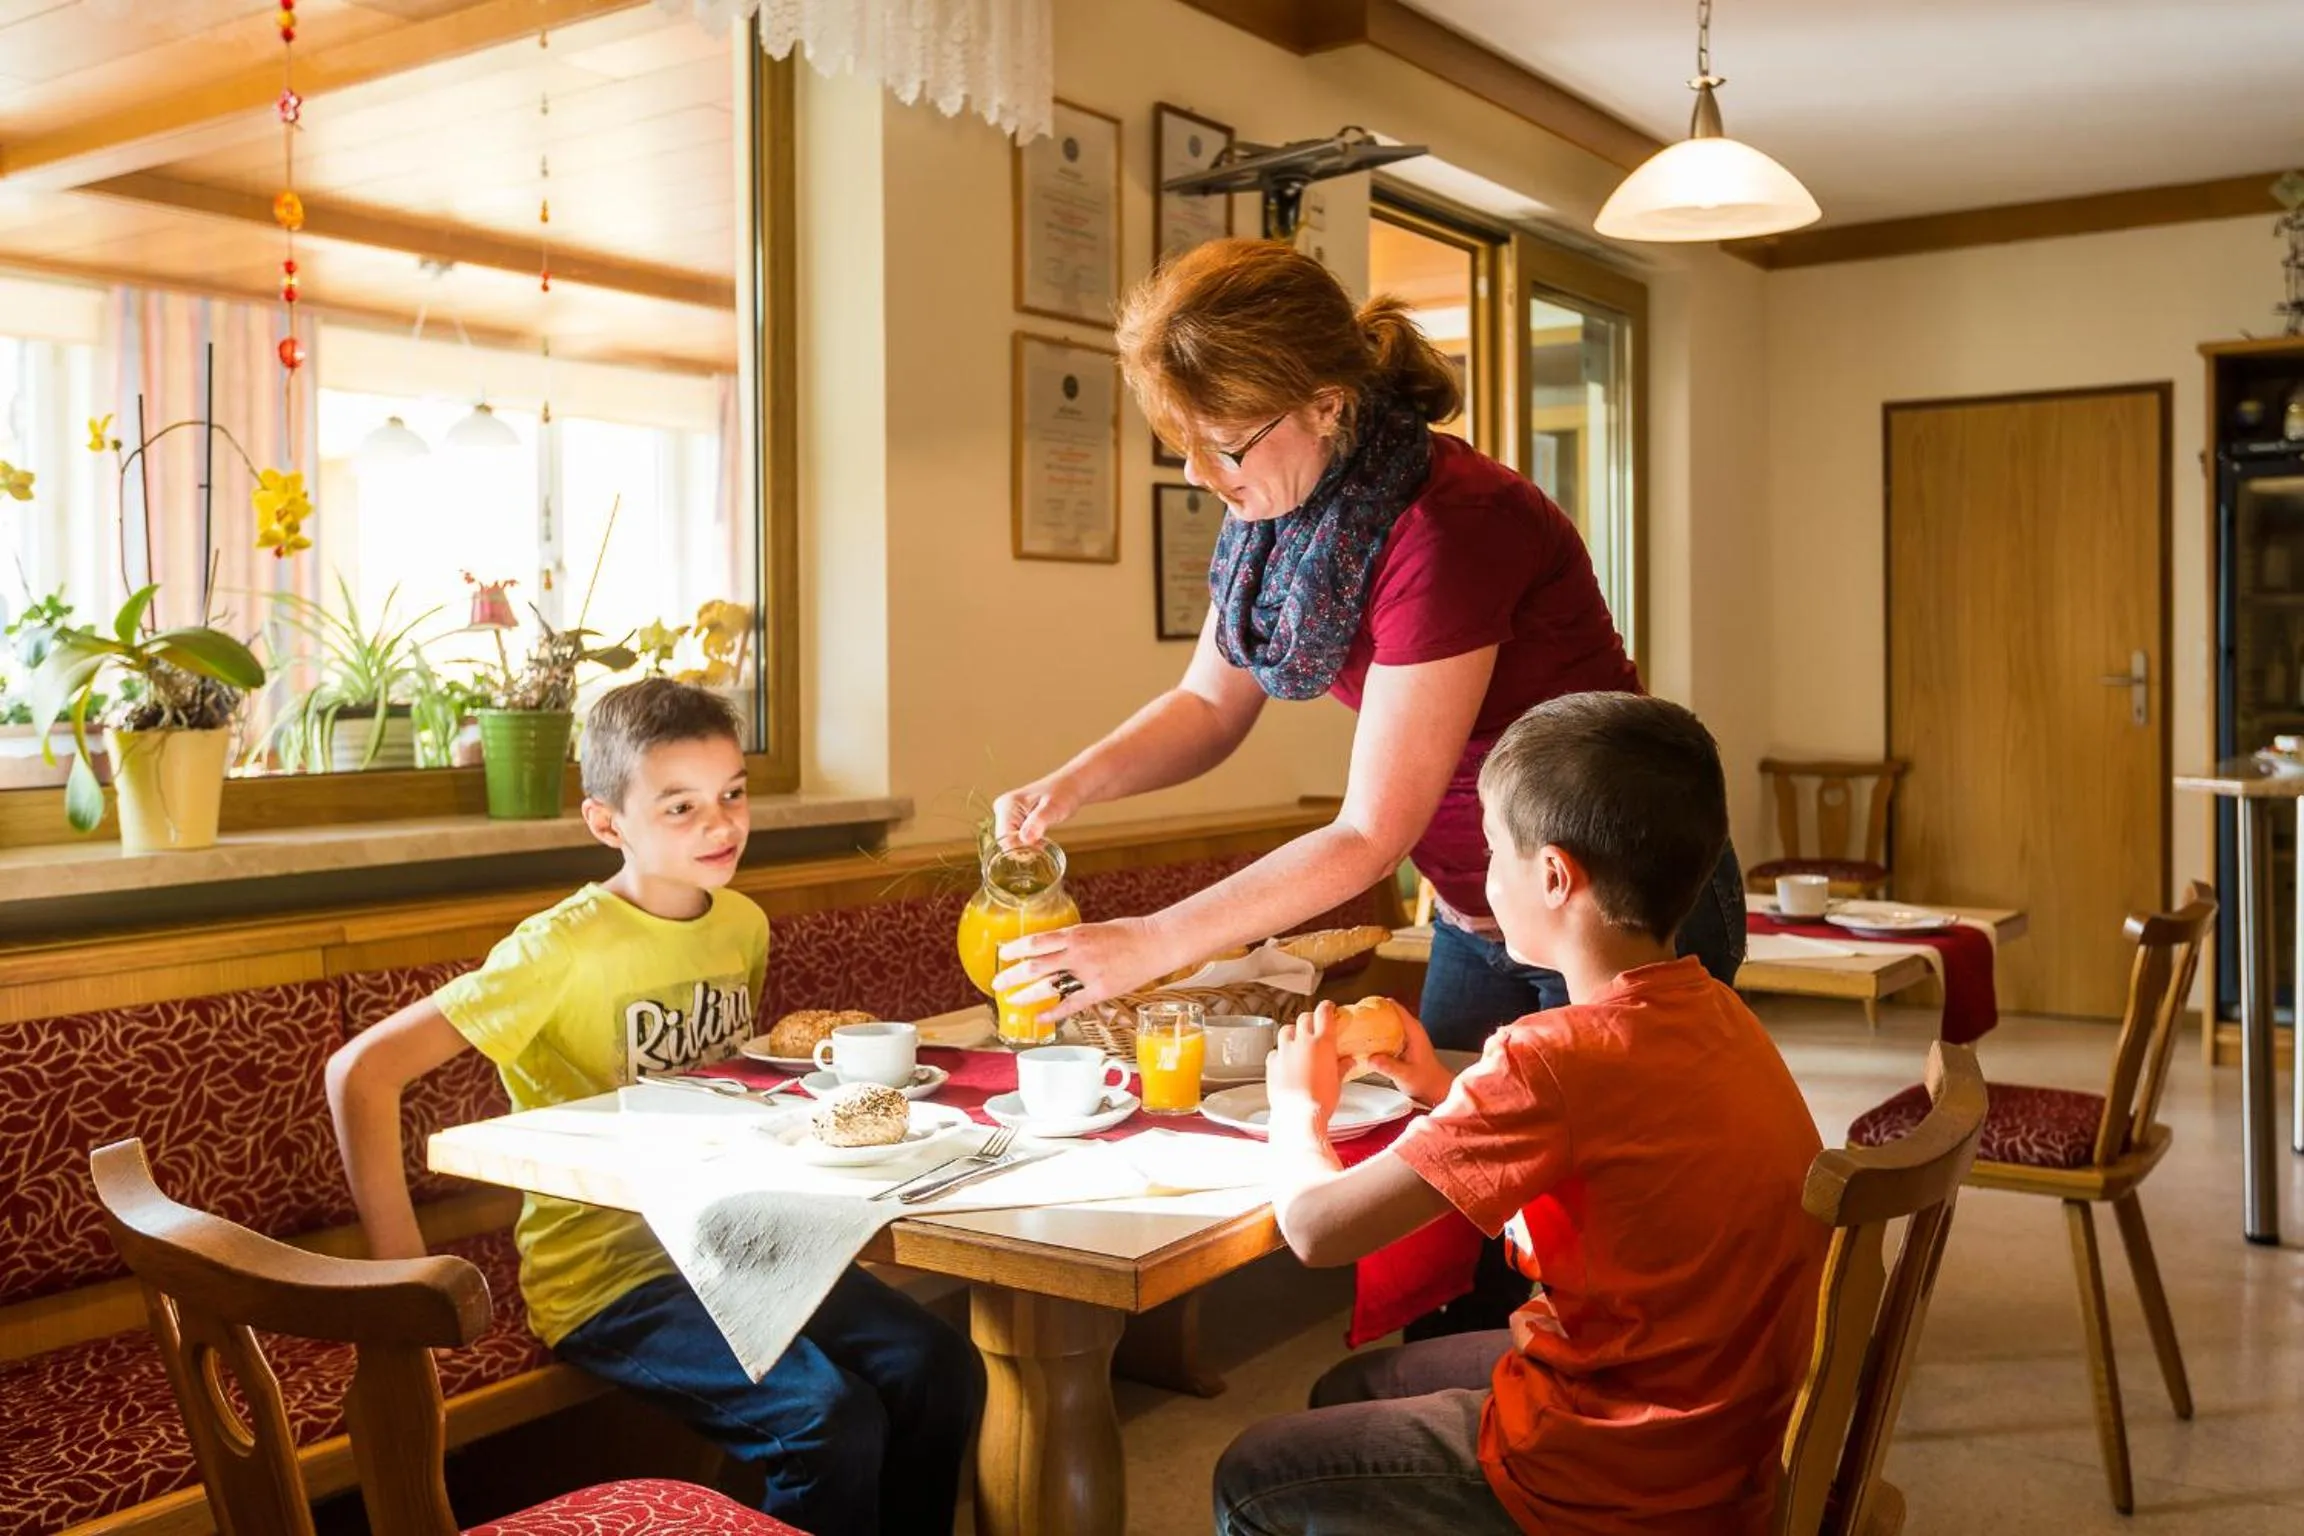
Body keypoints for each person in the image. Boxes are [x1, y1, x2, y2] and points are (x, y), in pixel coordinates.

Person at [991, 236, 1743, 1052]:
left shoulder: (1450, 527)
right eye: (1186, 448)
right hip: (1480, 905)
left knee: (1608, 1170)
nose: (1202, 476)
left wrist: (1155, 942)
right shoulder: (1275, 520)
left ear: (1326, 403)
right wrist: (1069, 787)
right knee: (1449, 1154)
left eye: (1228, 446)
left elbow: (1369, 838)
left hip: (1617, 906)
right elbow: (1209, 704)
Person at [326, 678, 981, 1536]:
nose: (720, 825)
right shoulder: (557, 949)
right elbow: (359, 1072)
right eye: (680, 807)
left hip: (738, 1241)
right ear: (608, 823)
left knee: (939, 1366)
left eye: (733, 796)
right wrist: (400, 1285)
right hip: (612, 1276)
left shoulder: (740, 921)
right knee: (826, 1420)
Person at [1212, 693, 1826, 1536]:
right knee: (1348, 1391)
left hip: (1615, 1469)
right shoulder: (1714, 1014)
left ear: (1551, 876)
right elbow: (1606, 1176)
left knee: (1253, 1473)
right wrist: (1435, 1089)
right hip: (1712, 1425)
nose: (1482, 876)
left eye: (1492, 850)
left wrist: (1294, 1109)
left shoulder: (1550, 1060)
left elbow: (1316, 1228)